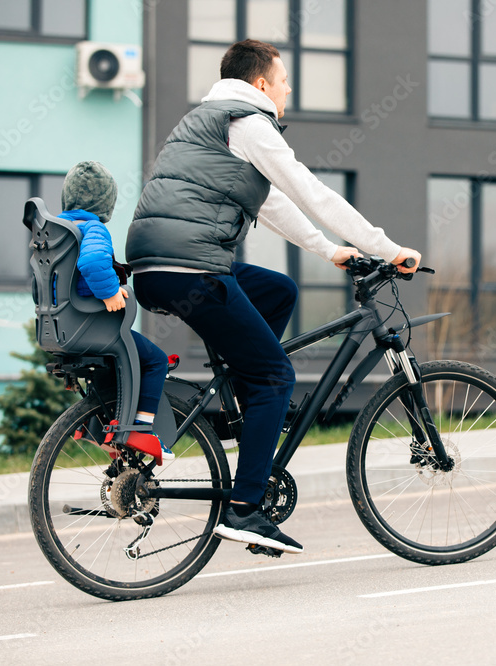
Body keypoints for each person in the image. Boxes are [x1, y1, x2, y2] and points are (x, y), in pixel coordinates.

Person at [126, 39, 421, 554]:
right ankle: (245, 510)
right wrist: (386, 248)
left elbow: (277, 202)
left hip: (157, 266)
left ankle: (247, 407)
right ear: (261, 83)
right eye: (284, 81)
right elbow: (312, 192)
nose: (288, 91)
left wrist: (328, 250)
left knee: (277, 291)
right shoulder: (249, 123)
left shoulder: (207, 120)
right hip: (193, 268)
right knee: (275, 376)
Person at [58, 161, 173, 463]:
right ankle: (143, 429)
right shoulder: (92, 228)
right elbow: (93, 262)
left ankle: (98, 428)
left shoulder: (57, 231)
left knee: (111, 366)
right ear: (104, 202)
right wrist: (109, 291)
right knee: (154, 361)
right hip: (93, 324)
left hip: (64, 326)